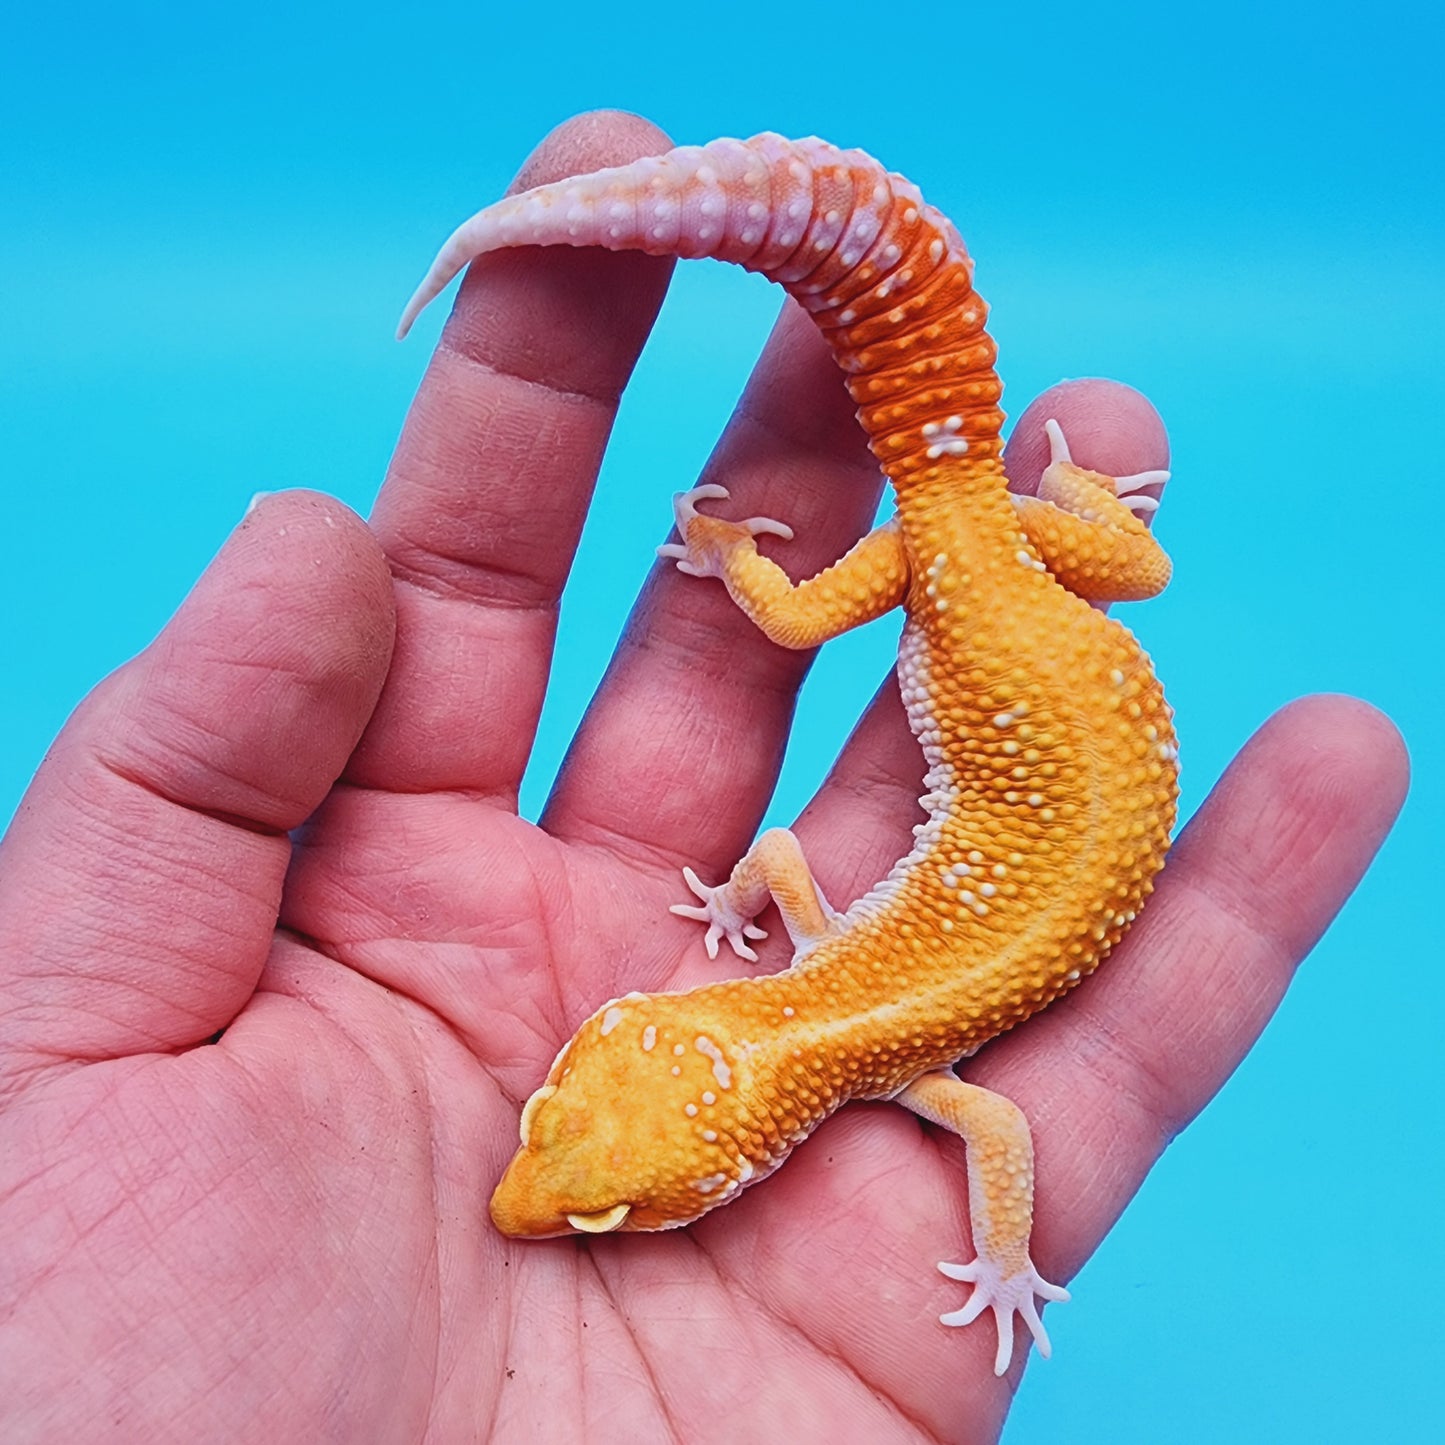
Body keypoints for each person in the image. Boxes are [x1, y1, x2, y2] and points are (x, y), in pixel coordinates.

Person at [0, 111, 1407, 1442]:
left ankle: (980, 517)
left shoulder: (885, 1035)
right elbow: (828, 923)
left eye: (587, 1197)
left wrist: (1004, 1256)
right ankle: (1067, 514)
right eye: (571, 1157)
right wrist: (747, 843)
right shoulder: (859, 1010)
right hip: (1008, 568)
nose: (521, 1199)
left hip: (975, 580)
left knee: (815, 611)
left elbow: (984, 1112)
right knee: (1117, 568)